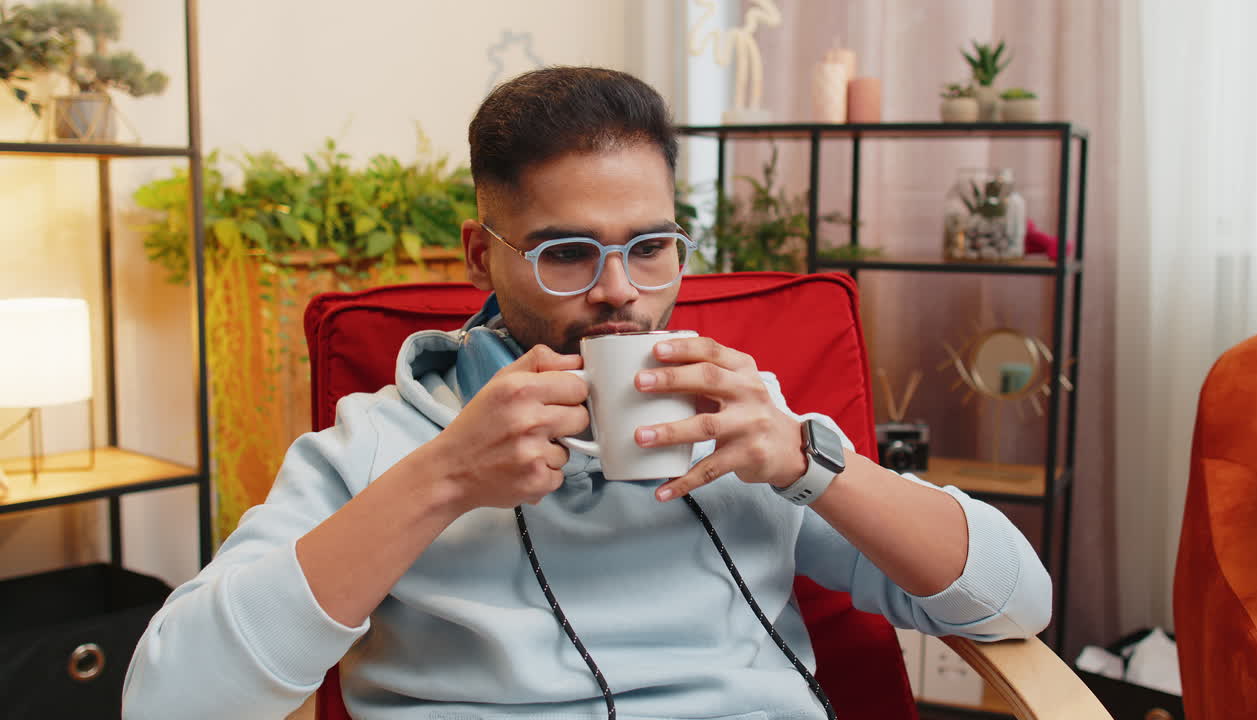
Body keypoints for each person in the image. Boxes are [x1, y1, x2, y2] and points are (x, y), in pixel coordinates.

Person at [123, 67, 1050, 720]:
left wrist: (812, 462)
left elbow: (1015, 603)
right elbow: (170, 702)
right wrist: (443, 479)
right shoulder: (381, 441)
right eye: (570, 252)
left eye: (650, 247)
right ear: (483, 253)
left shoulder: (740, 417)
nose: (620, 291)